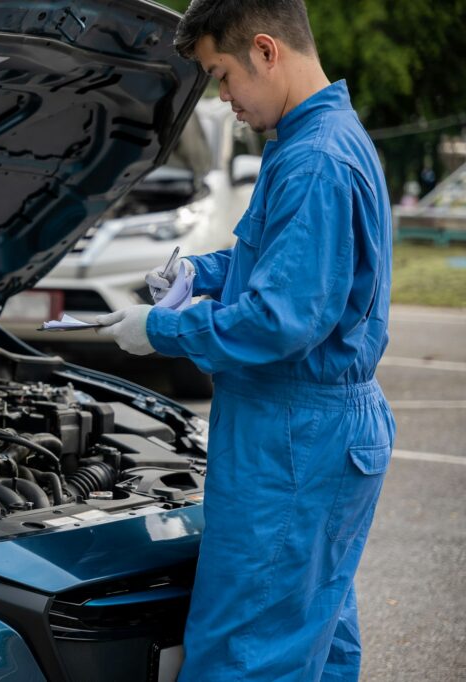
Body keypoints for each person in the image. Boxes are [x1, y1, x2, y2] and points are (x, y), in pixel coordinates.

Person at [95, 1, 395, 679]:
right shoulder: (312, 139)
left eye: (222, 76)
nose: (223, 97)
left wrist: (161, 330)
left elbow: (280, 319)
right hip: (313, 432)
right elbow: (274, 265)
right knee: (311, 639)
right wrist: (198, 270)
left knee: (248, 653)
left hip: (293, 436)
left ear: (266, 50)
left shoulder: (315, 159)